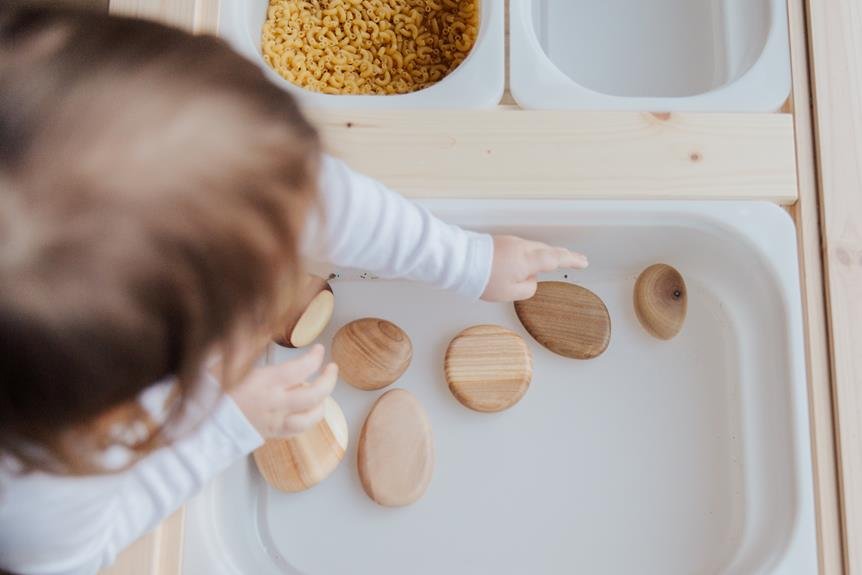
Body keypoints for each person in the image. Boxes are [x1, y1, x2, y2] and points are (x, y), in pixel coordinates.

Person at [0, 5, 587, 574]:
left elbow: (308, 197)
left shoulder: (159, 151)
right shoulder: (36, 492)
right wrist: (224, 422)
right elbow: (77, 555)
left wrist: (465, 259)